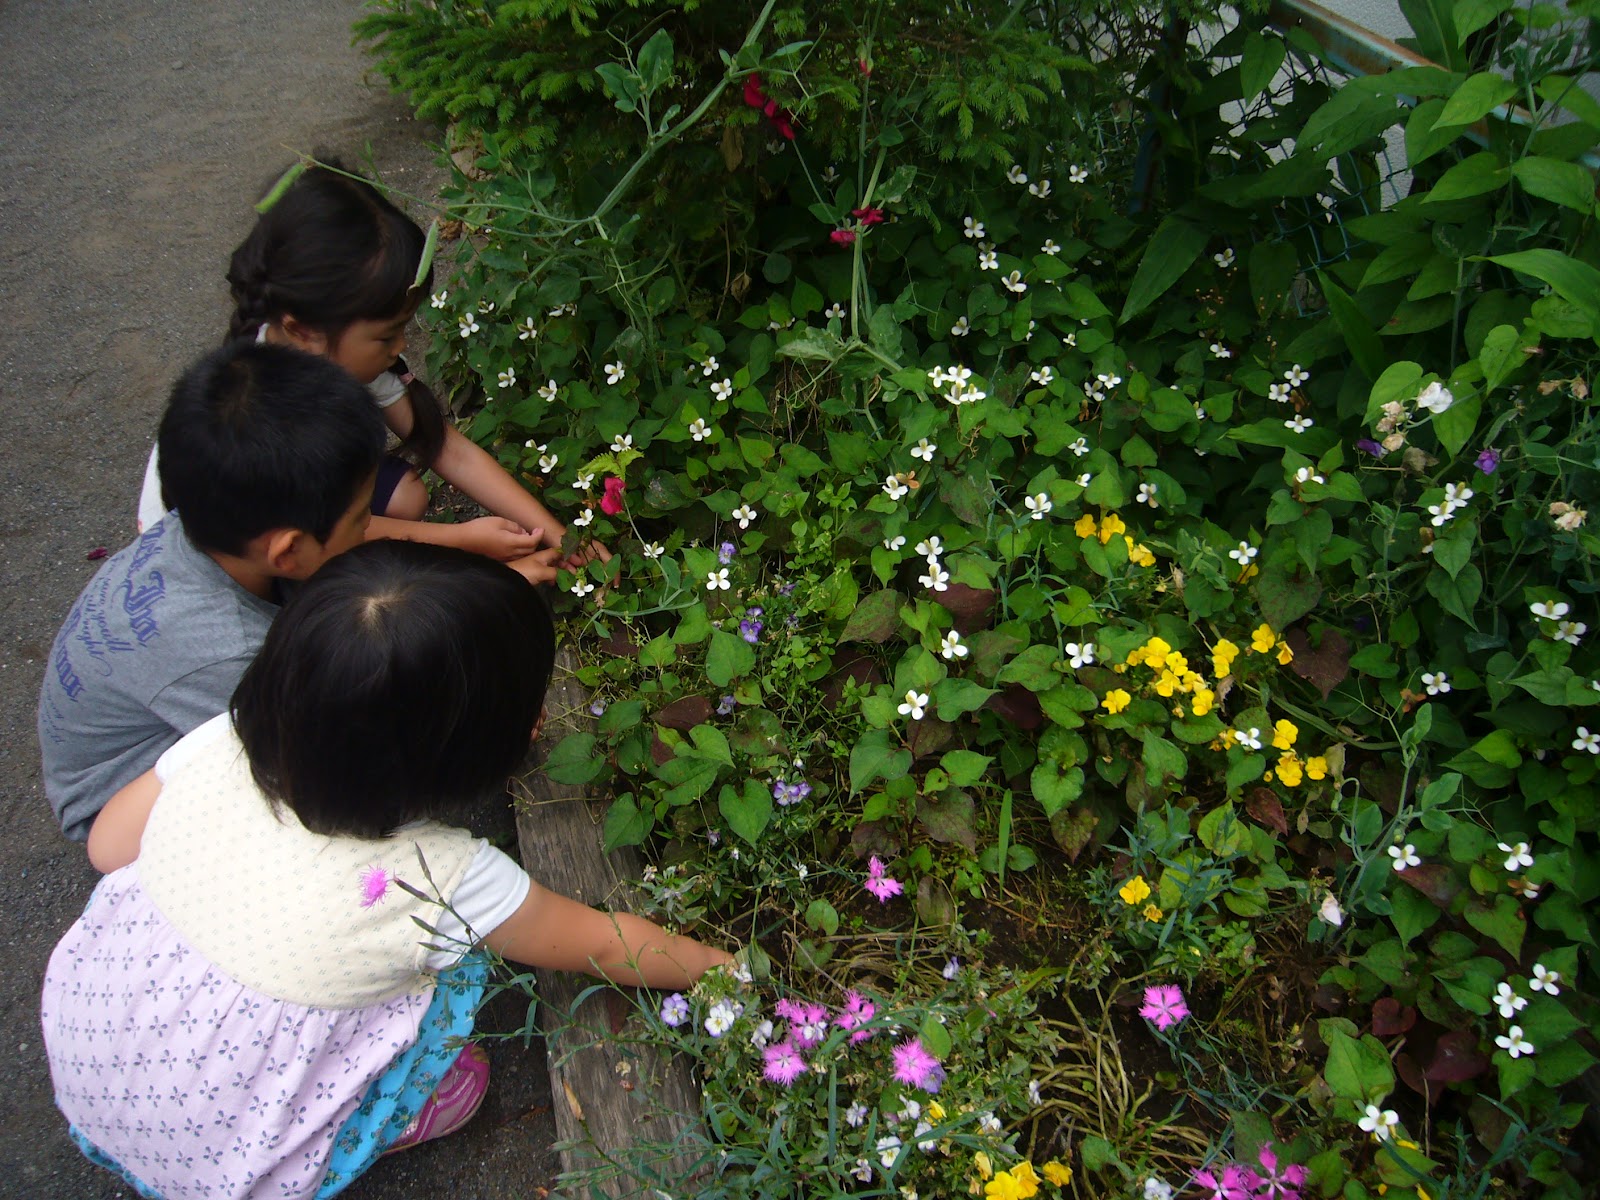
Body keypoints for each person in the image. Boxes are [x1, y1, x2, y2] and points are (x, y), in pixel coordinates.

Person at [42, 541, 733, 1198]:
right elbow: (606, 944)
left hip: (91, 1057)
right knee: (455, 984)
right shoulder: (439, 877)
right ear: (471, 756)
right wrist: (723, 968)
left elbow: (108, 848)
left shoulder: (222, 739)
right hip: (226, 1168)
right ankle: (389, 1119)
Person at [134, 159, 606, 582]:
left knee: (407, 498)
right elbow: (337, 536)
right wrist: (466, 546)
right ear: (304, 331)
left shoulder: (321, 348)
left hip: (301, 518)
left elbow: (449, 451)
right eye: (386, 335)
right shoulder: (271, 414)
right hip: (233, 562)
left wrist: (558, 534)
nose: (401, 347)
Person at [39, 341, 397, 843]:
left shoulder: (211, 523)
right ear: (288, 553)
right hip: (119, 807)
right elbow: (330, 751)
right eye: (361, 519)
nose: (368, 529)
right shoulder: (229, 649)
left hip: (168, 705)